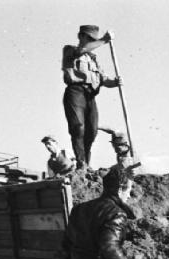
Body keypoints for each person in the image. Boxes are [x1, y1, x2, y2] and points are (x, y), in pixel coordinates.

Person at [62, 25, 122, 170]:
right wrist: (103, 40)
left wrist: (115, 82)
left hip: (90, 96)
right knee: (78, 128)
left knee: (92, 131)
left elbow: (103, 79)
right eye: (88, 38)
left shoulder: (93, 59)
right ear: (80, 36)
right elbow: (81, 50)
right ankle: (81, 163)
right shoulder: (70, 49)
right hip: (75, 92)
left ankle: (86, 164)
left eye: (93, 39)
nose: (90, 41)